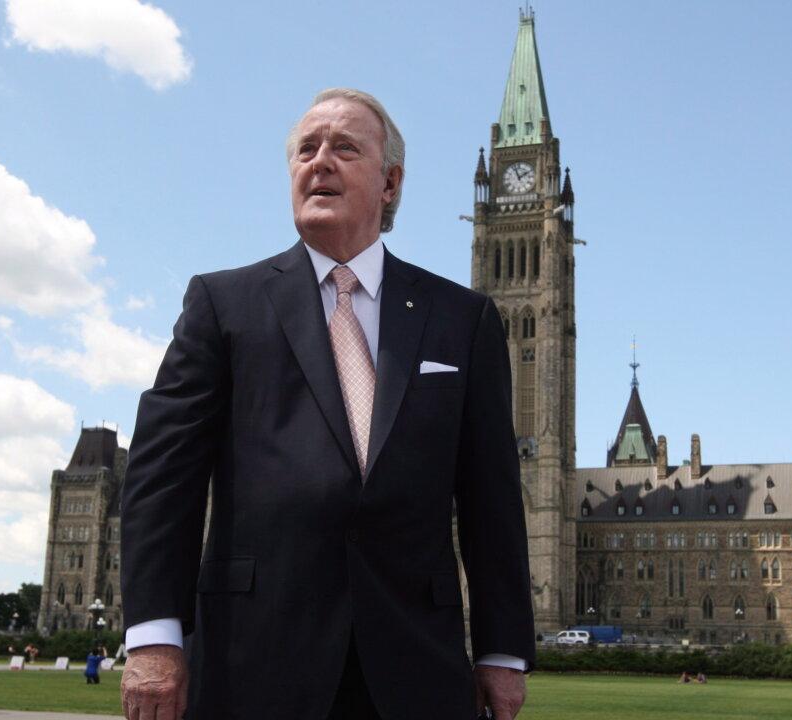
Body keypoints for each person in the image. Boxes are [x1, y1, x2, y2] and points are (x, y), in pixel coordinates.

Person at [119, 88, 535, 720]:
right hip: (251, 662)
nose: (320, 161)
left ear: (391, 183)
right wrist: (154, 637)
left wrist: (502, 651)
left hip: (415, 667)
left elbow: (492, 496)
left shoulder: (463, 318)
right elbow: (161, 479)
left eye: (344, 148)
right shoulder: (222, 304)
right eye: (306, 149)